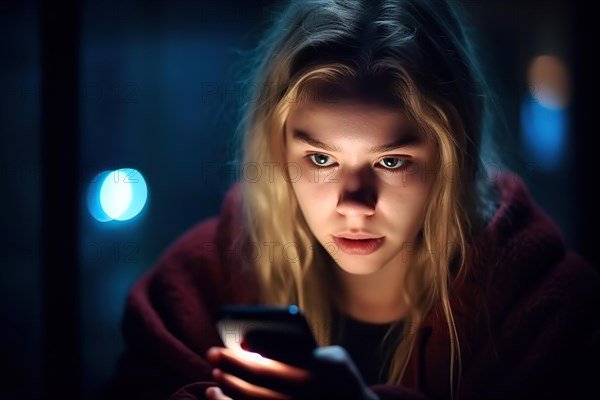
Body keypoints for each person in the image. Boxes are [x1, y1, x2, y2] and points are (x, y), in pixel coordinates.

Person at [100, 0, 600, 399]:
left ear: (452, 158)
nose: (355, 203)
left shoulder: (539, 310)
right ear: (277, 152)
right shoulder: (201, 283)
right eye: (321, 160)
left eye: (391, 161)